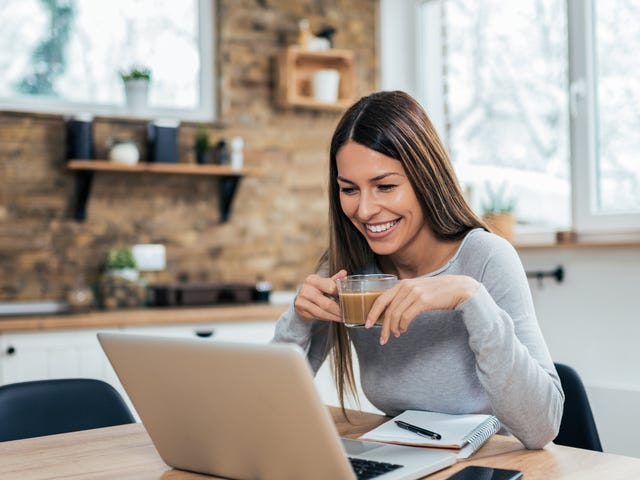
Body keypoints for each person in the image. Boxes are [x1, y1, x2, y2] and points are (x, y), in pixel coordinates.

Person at [272, 90, 563, 449]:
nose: (364, 210)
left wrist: (470, 297)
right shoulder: (347, 271)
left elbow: (542, 428)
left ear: (426, 178)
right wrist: (298, 320)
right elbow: (262, 412)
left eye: (385, 186)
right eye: (349, 189)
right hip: (400, 456)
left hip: (486, 466)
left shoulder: (487, 257)